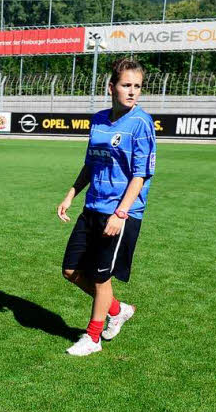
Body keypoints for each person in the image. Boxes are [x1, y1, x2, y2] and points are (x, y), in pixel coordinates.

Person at [57, 57, 156, 357]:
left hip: (119, 213)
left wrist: (120, 213)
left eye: (137, 86)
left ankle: (93, 338)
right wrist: (71, 194)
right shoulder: (98, 120)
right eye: (126, 85)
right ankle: (118, 309)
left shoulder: (141, 123)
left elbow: (141, 174)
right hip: (92, 207)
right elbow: (91, 163)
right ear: (111, 87)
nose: (132, 91)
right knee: (71, 270)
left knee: (101, 278)